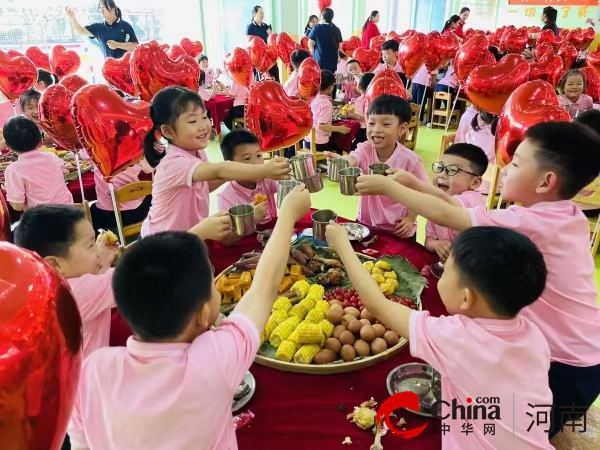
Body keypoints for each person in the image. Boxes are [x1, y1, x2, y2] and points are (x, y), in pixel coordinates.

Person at [355, 121, 600, 437]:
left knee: (516, 433)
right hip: (577, 349)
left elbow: (452, 216)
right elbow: (456, 205)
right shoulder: (565, 215)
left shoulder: (532, 223)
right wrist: (415, 184)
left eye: (516, 162)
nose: (505, 168)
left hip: (566, 362)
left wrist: (390, 188)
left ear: (546, 181)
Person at [66, 186, 311, 450]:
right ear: (204, 313)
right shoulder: (212, 361)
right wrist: (286, 216)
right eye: (212, 285)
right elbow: (264, 288)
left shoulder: (93, 370)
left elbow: (82, 445)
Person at [325, 224, 554, 449]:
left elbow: (377, 305)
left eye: (445, 272)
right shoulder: (534, 335)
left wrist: (343, 246)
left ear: (466, 298)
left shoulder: (459, 339)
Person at [140, 87, 289, 238]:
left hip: (188, 238)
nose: (203, 125)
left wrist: (237, 173)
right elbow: (219, 170)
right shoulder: (172, 162)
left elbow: (204, 186)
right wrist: (266, 170)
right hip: (161, 244)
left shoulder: (198, 153)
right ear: (168, 132)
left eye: (205, 117)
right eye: (193, 121)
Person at [14, 205, 119, 358]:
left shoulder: (45, 287)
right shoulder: (73, 294)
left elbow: (95, 288)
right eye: (91, 245)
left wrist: (102, 261)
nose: (98, 250)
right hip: (90, 377)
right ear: (55, 264)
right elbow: (138, 276)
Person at [324, 94, 429, 237]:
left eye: (385, 124)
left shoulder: (411, 161)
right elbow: (354, 157)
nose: (376, 129)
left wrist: (411, 218)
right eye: (372, 123)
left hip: (398, 228)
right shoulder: (366, 149)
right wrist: (344, 162)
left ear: (402, 129)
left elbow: (422, 193)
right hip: (366, 223)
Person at [421, 143, 488, 261]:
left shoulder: (472, 201)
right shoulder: (436, 201)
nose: (442, 175)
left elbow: (448, 205)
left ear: (475, 183)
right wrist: (437, 245)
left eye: (452, 170)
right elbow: (429, 240)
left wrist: (413, 185)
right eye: (440, 168)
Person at [217, 130, 278, 245]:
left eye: (259, 155)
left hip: (271, 239)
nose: (256, 164)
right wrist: (251, 220)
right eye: (247, 159)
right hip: (244, 246)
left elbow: (289, 188)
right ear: (230, 165)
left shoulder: (266, 180)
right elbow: (226, 240)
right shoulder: (226, 197)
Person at [3, 117, 72, 211]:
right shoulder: (51, 157)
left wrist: (9, 191)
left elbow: (17, 206)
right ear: (41, 142)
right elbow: (64, 171)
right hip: (70, 214)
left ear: (7, 146)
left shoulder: (13, 170)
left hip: (42, 221)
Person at [87, 157, 154, 231]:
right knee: (150, 195)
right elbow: (149, 169)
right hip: (138, 212)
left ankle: (100, 239)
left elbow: (83, 155)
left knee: (88, 214)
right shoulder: (137, 149)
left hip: (108, 216)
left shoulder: (97, 150)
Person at [65, 1, 138, 59]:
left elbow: (135, 46)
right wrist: (72, 17)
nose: (101, 10)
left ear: (113, 9)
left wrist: (117, 45)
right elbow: (80, 31)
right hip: (108, 70)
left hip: (125, 69)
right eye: (100, 8)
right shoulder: (98, 27)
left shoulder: (125, 26)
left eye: (104, 8)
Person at [304, 70, 350, 153]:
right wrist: (339, 129)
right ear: (330, 87)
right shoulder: (326, 103)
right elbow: (322, 126)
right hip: (319, 143)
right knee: (341, 145)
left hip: (308, 141)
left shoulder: (314, 98)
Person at [246, 5, 279, 82]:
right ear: (254, 14)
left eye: (263, 13)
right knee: (260, 80)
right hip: (257, 57)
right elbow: (249, 42)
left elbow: (271, 38)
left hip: (268, 55)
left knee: (275, 74)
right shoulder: (250, 27)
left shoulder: (265, 26)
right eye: (260, 13)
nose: (262, 15)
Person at [308, 8, 343, 73]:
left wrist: (314, 54)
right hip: (333, 60)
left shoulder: (317, 28)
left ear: (322, 16)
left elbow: (310, 44)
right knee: (331, 79)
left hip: (319, 60)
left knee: (320, 79)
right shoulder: (336, 29)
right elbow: (340, 46)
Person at [345, 72, 375, 147]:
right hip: (374, 127)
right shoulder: (375, 97)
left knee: (355, 146)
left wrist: (349, 114)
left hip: (364, 129)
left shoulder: (360, 99)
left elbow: (359, 116)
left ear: (360, 86)